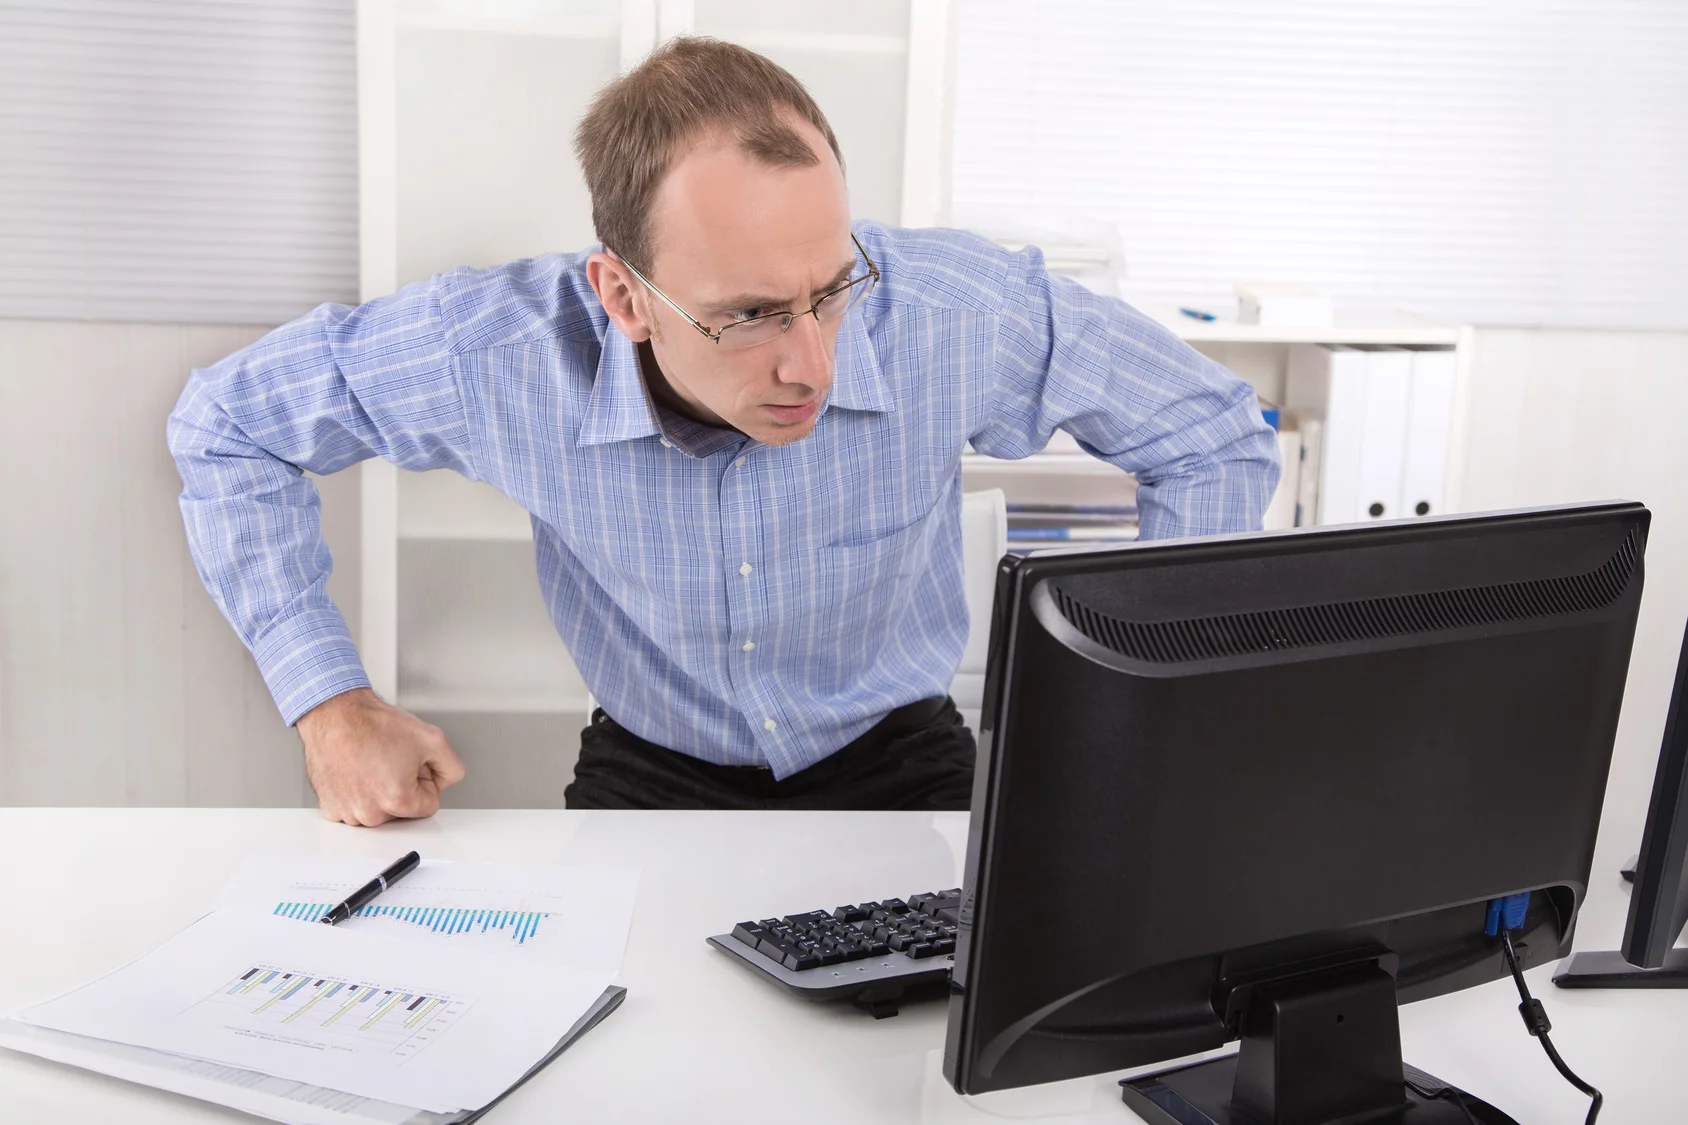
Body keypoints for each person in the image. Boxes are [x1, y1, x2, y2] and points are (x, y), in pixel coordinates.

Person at [167, 38, 1279, 825]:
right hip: (651, 770)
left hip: (902, 761)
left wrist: (1151, 702)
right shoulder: (493, 353)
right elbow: (227, 424)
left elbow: (1211, 431)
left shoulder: (956, 311)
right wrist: (329, 705)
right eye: (748, 315)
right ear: (623, 295)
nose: (813, 363)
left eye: (831, 290)